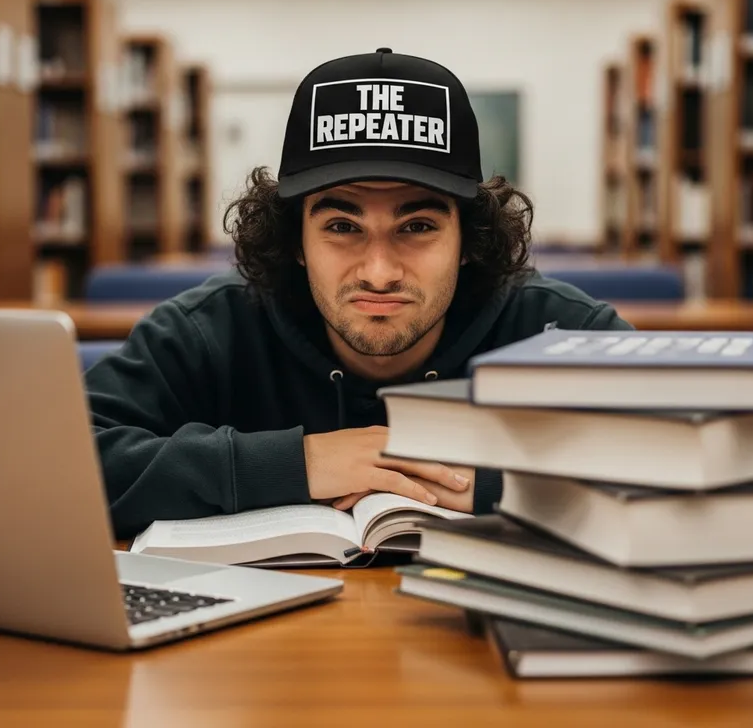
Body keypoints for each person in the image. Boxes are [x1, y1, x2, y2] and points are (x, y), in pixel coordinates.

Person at [87, 47, 632, 539]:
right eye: (342, 227)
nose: (379, 272)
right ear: (294, 240)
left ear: (469, 239)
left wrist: (499, 484)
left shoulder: (561, 333)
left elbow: (680, 464)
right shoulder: (206, 331)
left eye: (417, 226)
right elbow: (62, 463)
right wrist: (295, 465)